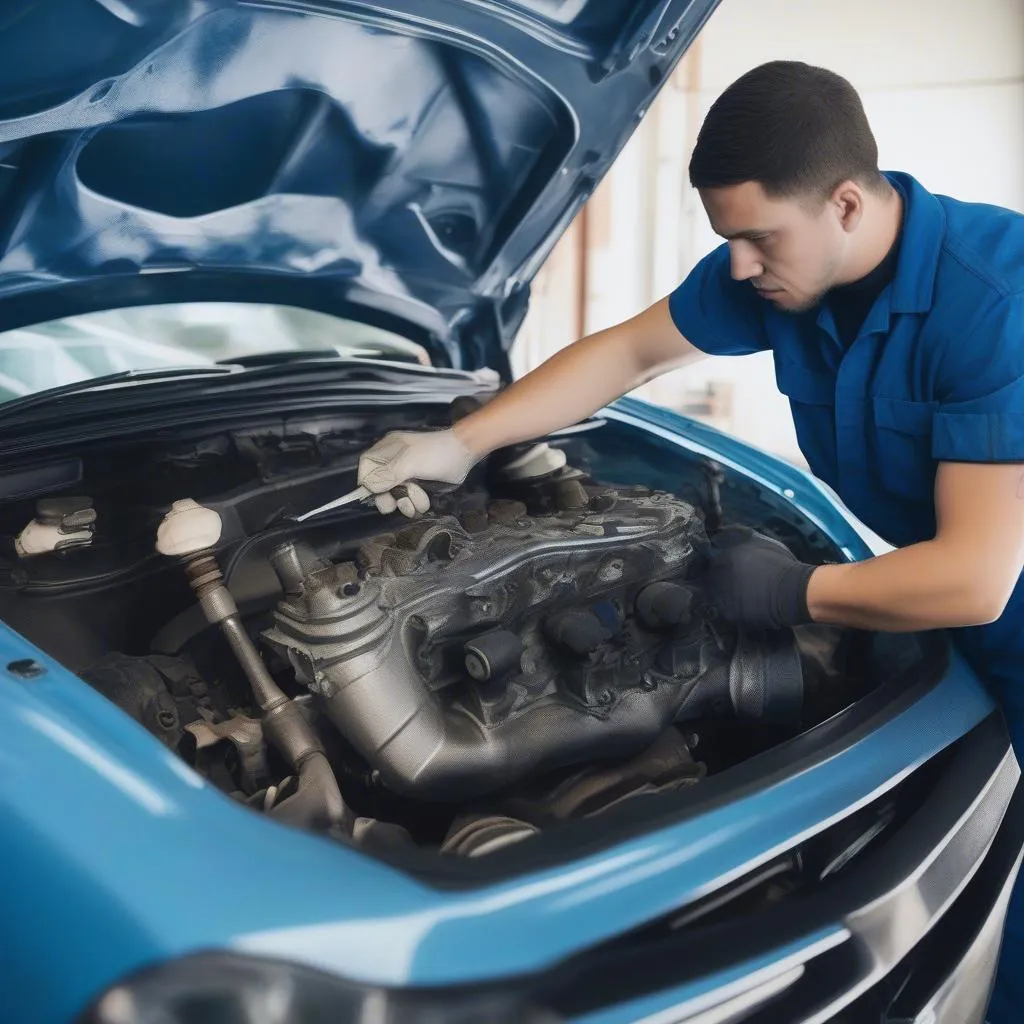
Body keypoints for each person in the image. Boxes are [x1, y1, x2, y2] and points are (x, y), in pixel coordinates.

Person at [355, 61, 1024, 1016]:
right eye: (729, 241)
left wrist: (792, 593)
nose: (741, 267)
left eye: (758, 238)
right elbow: (628, 351)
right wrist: (460, 443)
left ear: (844, 204)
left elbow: (975, 581)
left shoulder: (992, 300)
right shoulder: (790, 272)